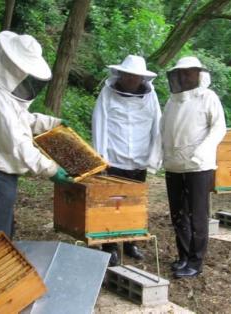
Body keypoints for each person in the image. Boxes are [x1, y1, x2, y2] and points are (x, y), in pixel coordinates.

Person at [0, 31, 73, 245]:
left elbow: (21, 118)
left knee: (1, 228)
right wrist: (50, 169)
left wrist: (51, 123)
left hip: (0, 169)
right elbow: (17, 143)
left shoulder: (2, 88)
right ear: (12, 63)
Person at [92, 55, 162, 266]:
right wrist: (99, 159)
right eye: (128, 75)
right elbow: (99, 124)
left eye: (136, 76)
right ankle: (110, 246)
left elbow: (157, 125)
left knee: (134, 203)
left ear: (142, 78)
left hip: (139, 159)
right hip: (114, 157)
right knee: (112, 203)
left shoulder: (151, 96)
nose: (131, 79)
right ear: (120, 75)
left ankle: (131, 243)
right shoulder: (107, 93)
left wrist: (154, 157)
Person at [161, 56, 226, 278]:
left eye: (190, 72)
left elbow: (219, 128)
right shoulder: (172, 101)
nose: (185, 76)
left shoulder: (209, 98)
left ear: (199, 74)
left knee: (197, 215)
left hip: (199, 166)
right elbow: (163, 131)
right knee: (178, 214)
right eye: (182, 72)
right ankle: (183, 256)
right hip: (174, 166)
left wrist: (202, 153)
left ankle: (196, 263)